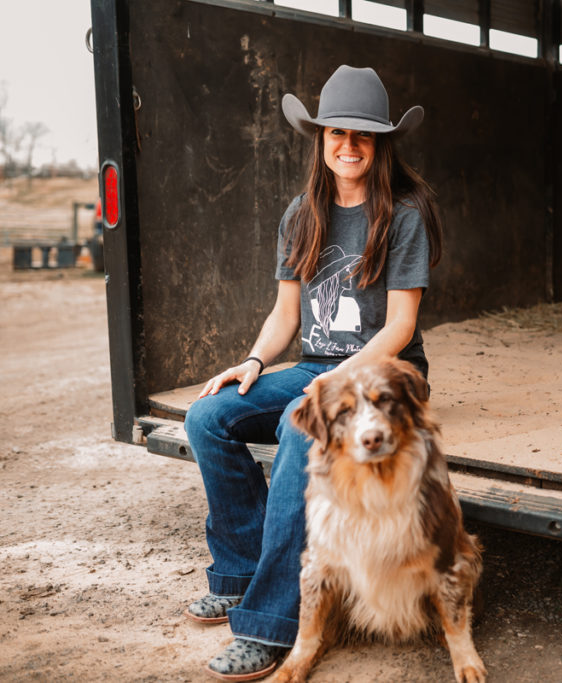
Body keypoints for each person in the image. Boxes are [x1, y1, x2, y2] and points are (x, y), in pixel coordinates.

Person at [182, 65, 442, 681]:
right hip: (317, 368)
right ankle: (239, 569)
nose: (348, 147)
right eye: (336, 134)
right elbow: (284, 314)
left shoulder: (403, 214)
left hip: (387, 375)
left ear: (380, 146)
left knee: (303, 430)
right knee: (208, 416)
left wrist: (328, 387)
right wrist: (251, 363)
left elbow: (399, 328)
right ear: (320, 139)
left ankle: (268, 623)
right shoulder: (303, 213)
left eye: (363, 137)